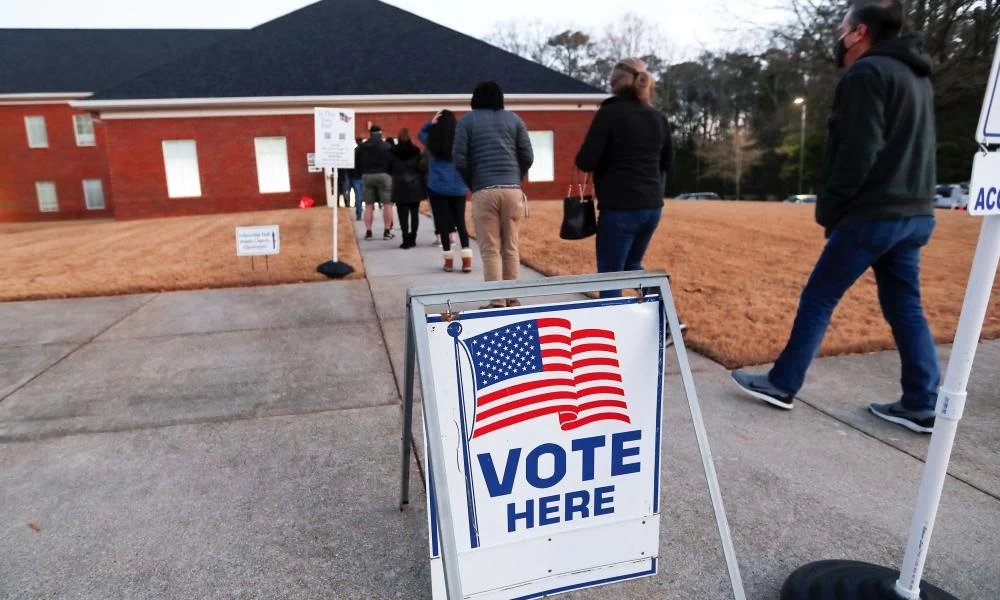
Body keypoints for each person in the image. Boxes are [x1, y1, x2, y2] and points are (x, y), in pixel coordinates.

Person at [731, 0, 940, 434]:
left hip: (872, 212)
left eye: (843, 28)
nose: (839, 36)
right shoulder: (917, 77)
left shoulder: (867, 73)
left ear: (859, 31)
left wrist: (832, 206)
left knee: (819, 296)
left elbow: (857, 151)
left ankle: (782, 383)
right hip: (915, 211)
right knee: (906, 308)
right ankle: (922, 402)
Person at [575, 58, 673, 298]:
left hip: (620, 208)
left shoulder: (609, 114)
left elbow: (585, 161)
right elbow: (667, 163)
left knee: (611, 275)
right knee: (631, 267)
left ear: (615, 83)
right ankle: (669, 317)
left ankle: (613, 330)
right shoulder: (658, 118)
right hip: (652, 207)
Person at [453, 81, 533, 307]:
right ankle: (512, 298)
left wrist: (474, 182)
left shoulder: (467, 122)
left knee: (490, 249)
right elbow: (527, 155)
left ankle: (496, 301)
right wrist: (516, 178)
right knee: (511, 246)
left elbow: (459, 158)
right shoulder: (515, 120)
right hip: (512, 190)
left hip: (484, 190)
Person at [420, 109, 472, 272]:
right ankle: (466, 261)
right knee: (460, 223)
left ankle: (448, 262)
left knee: (442, 225)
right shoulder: (460, 141)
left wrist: (431, 122)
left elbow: (420, 133)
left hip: (437, 187)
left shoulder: (432, 140)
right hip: (458, 187)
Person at [355, 125, 395, 240]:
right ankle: (387, 231)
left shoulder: (362, 147)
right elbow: (392, 162)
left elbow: (356, 162)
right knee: (387, 204)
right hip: (384, 175)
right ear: (380, 133)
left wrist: (360, 173)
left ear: (370, 134)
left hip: (367, 175)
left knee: (368, 205)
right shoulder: (387, 146)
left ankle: (368, 232)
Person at [389, 128, 425, 249]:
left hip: (399, 185)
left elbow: (389, 168)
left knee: (402, 214)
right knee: (414, 214)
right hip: (415, 185)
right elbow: (421, 167)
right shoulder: (416, 151)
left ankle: (405, 240)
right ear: (410, 138)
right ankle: (413, 238)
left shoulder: (392, 151)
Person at [350, 137, 365, 220]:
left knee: (358, 195)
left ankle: (359, 213)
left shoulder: (354, 151)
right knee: (368, 195)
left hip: (356, 176)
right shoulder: (366, 151)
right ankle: (370, 210)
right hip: (365, 176)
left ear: (356, 141)